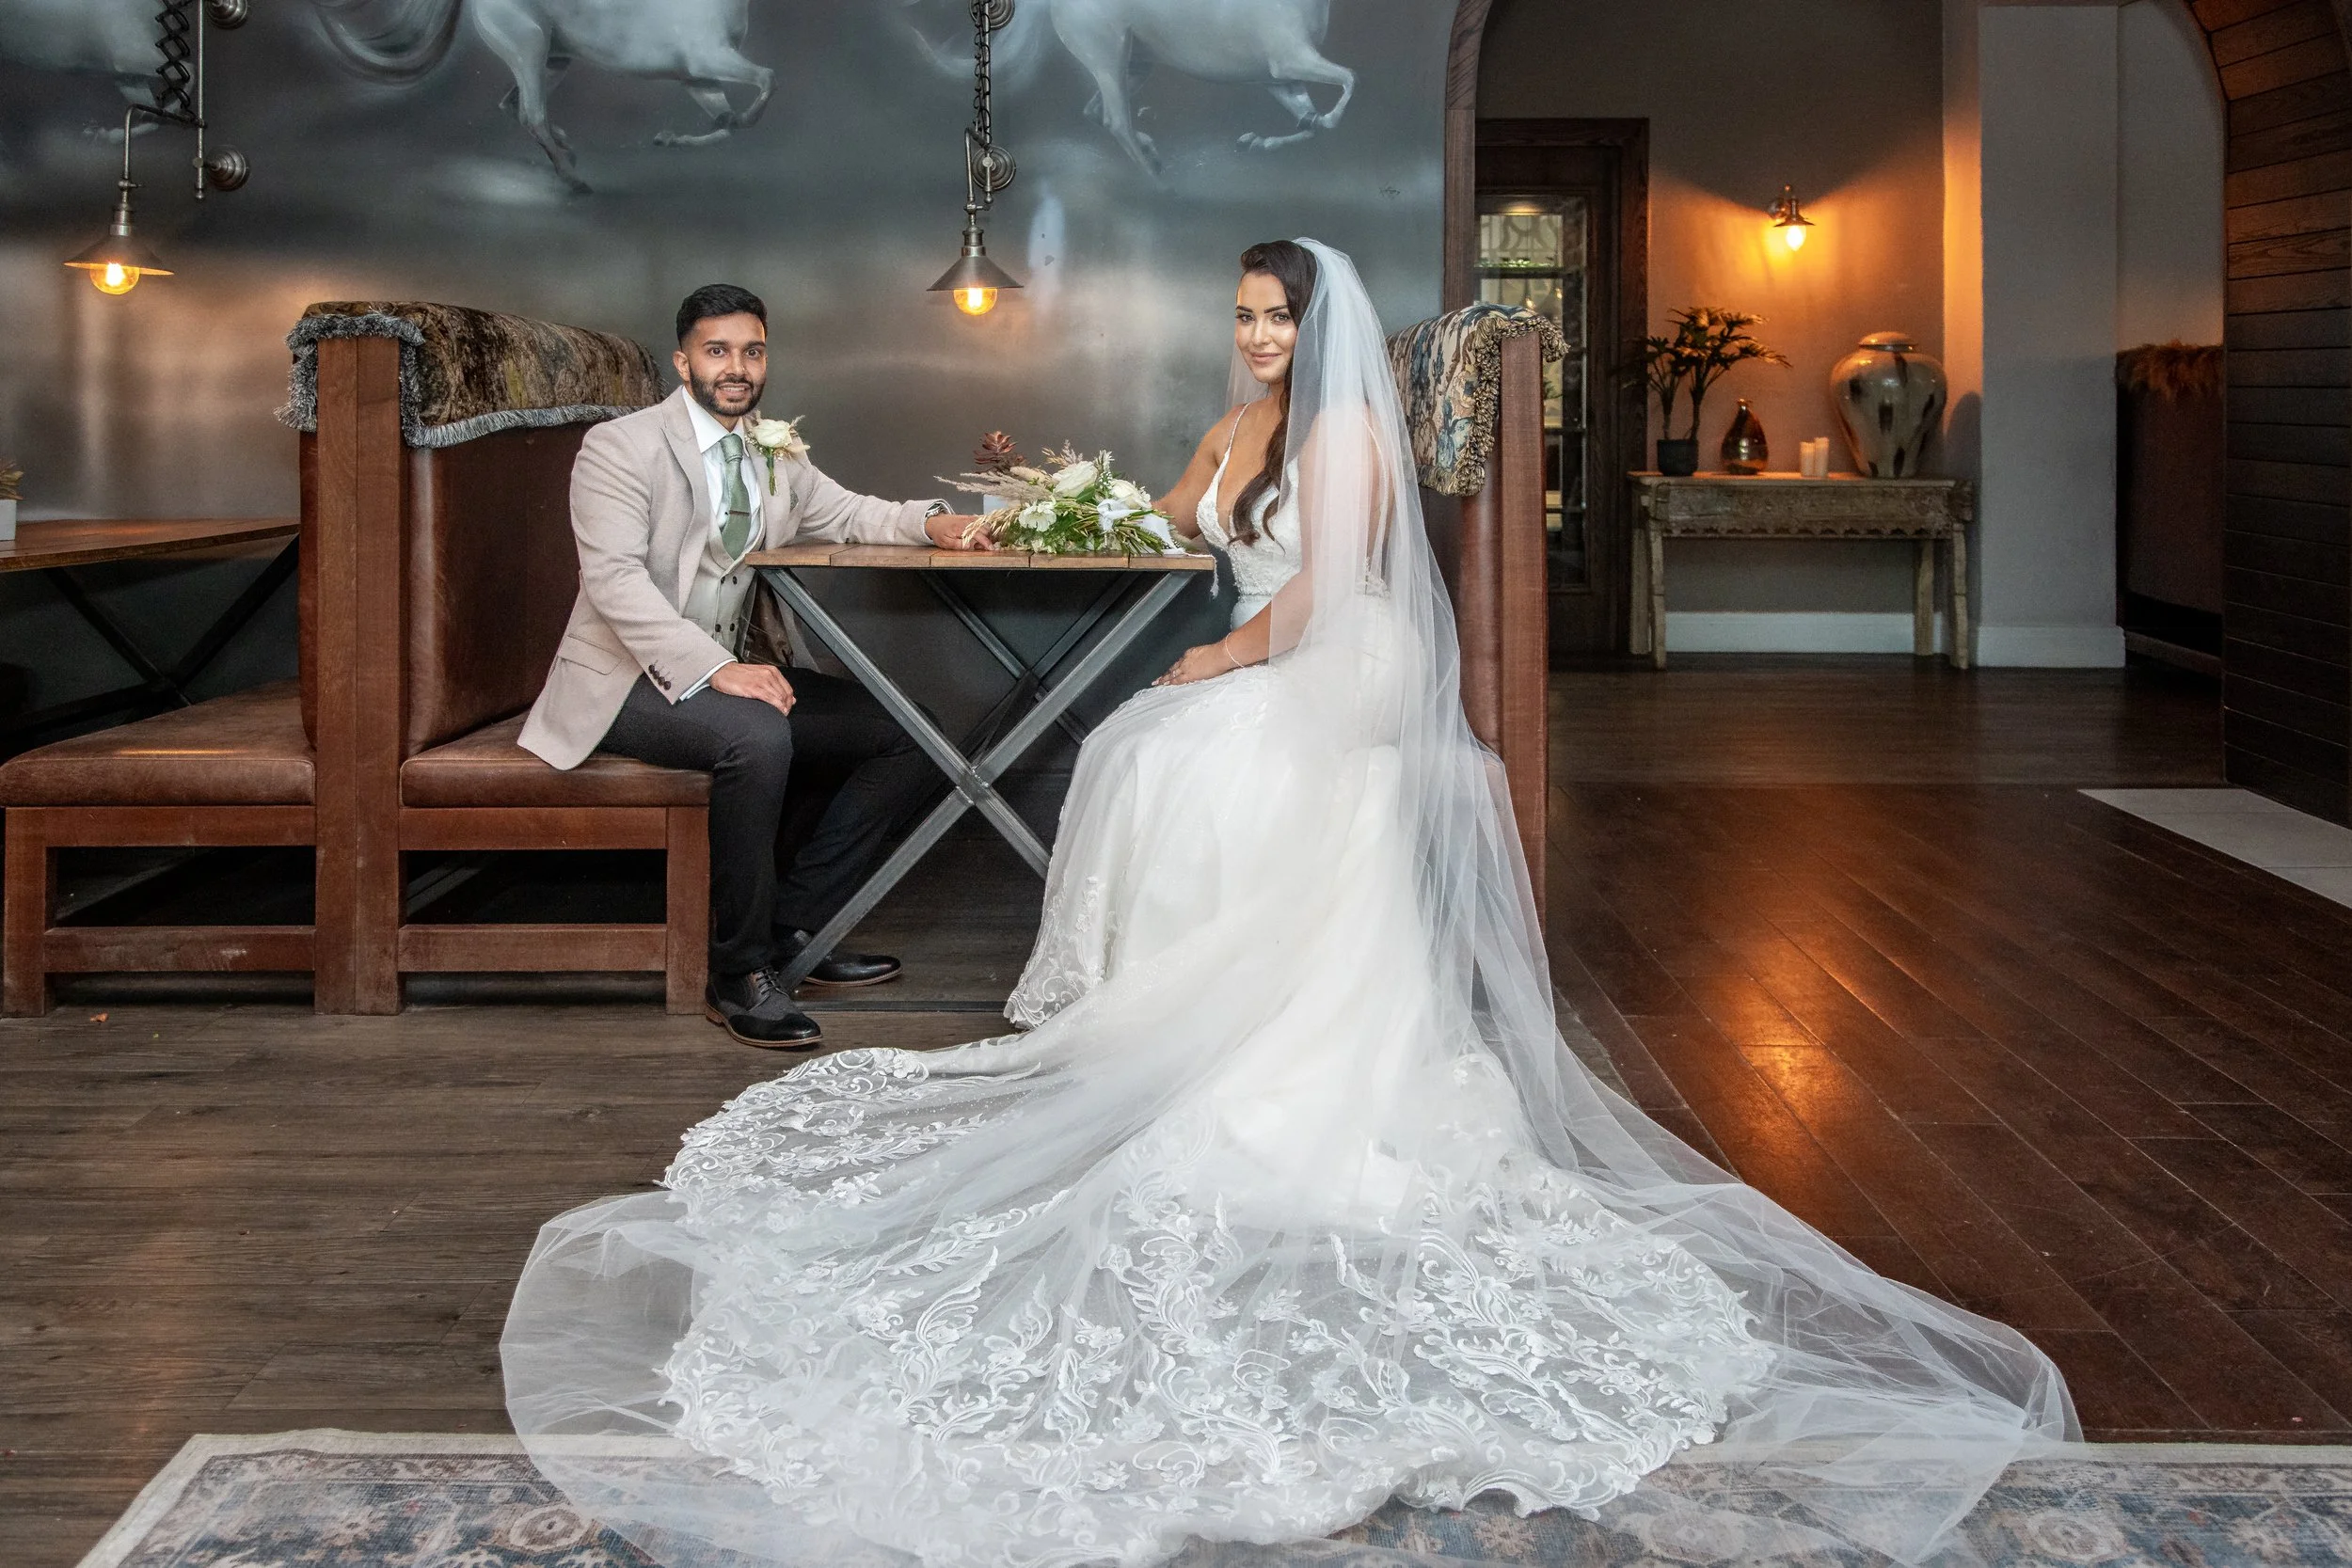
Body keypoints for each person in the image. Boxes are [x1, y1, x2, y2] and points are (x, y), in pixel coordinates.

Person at [502, 244, 2075, 1568]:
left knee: (1149, 743)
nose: (1256, 338)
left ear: (1312, 331)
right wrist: (1041, 496)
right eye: (1244, 317)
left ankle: (1194, 1015)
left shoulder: (1334, 434)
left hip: (1336, 660)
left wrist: (1221, 652)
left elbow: (1318, 588)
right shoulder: (1237, 420)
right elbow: (1170, 512)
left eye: (1275, 318)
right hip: (683, 676)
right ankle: (1014, 970)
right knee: (1119, 744)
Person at [516, 284, 991, 1051]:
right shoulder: (620, 445)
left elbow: (848, 513)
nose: (737, 367)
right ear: (683, 361)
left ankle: (794, 928)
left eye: (752, 350)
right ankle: (735, 971)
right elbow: (613, 582)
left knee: (912, 736)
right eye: (718, 351)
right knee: (759, 737)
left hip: (734, 670)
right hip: (627, 681)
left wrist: (935, 520)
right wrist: (715, 668)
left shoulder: (774, 447)